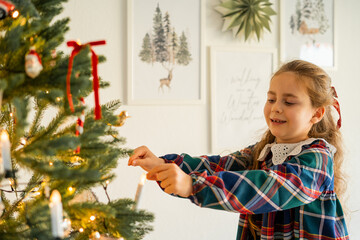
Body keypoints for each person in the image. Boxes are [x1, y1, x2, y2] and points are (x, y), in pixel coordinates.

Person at [128, 60, 349, 239]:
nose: (276, 107)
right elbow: (216, 166)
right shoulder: (263, 151)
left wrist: (192, 186)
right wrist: (164, 164)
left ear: (316, 114)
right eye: (271, 99)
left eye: (289, 102)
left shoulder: (317, 158)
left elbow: (269, 188)